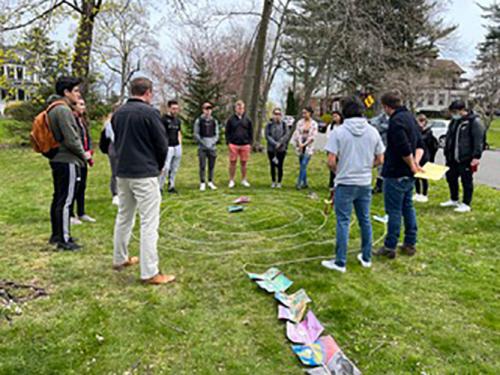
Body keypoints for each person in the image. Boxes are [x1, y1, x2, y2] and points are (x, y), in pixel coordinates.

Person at [112, 77, 175, 285]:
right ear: (148, 92)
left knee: (124, 216)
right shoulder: (150, 113)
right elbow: (161, 143)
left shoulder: (118, 113)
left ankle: (119, 258)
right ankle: (149, 272)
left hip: (122, 172)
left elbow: (114, 141)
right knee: (149, 222)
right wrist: (157, 167)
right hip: (144, 173)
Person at [321, 97, 385, 273]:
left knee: (343, 221)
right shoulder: (373, 132)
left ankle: (340, 262)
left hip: (345, 182)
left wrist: (339, 171)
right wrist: (365, 167)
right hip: (364, 183)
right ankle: (366, 257)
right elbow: (380, 159)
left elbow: (331, 161)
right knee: (365, 220)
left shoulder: (338, 132)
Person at [375, 90, 424, 260]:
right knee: (407, 207)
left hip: (396, 172)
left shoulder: (396, 121)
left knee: (394, 211)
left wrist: (412, 165)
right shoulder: (410, 117)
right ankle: (410, 243)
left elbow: (404, 148)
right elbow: (419, 143)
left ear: (386, 107)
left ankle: (390, 247)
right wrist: (416, 164)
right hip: (408, 174)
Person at [47, 76, 92, 251]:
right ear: (66, 92)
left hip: (58, 159)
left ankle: (56, 235)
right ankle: (64, 239)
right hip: (67, 159)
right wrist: (84, 156)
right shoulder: (63, 110)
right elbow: (72, 139)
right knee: (66, 200)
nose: (78, 94)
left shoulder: (53, 108)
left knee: (58, 197)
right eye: (75, 91)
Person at [440, 100, 485, 213]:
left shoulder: (474, 122)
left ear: (462, 110)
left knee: (466, 181)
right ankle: (454, 198)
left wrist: (476, 156)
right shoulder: (454, 122)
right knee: (451, 178)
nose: (453, 114)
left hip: (466, 157)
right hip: (452, 157)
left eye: (455, 112)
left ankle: (466, 203)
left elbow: (478, 140)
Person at [70, 98, 96, 225]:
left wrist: (89, 151)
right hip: (76, 157)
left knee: (82, 186)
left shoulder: (83, 121)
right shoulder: (71, 120)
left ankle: (81, 212)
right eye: (80, 105)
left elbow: (88, 137)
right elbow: (73, 139)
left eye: (84, 104)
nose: (83, 107)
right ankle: (70, 214)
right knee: (74, 186)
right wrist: (82, 152)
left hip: (84, 157)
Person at [225, 100, 253, 188]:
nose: (240, 110)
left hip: (245, 144)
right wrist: (228, 142)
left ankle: (244, 179)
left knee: (244, 163)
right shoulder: (231, 119)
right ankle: (231, 180)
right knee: (232, 162)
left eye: (242, 108)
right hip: (233, 144)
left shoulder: (247, 119)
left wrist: (250, 143)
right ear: (235, 109)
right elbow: (227, 131)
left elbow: (251, 131)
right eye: (238, 108)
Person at [194, 102, 219, 191]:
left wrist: (212, 143)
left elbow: (216, 134)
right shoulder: (199, 121)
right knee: (202, 165)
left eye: (209, 109)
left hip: (212, 146)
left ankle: (210, 181)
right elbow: (196, 134)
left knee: (211, 165)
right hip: (202, 147)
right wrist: (204, 143)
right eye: (206, 109)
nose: (208, 111)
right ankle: (202, 182)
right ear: (203, 110)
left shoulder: (214, 121)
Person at [414, 114, 439, 203]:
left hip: (425, 155)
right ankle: (417, 192)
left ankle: (424, 194)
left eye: (422, 121)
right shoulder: (416, 131)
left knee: (424, 176)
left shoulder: (428, 132)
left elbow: (424, 140)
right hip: (417, 155)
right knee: (416, 175)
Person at [292, 106, 318, 189]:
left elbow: (313, 136)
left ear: (310, 113)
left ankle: (299, 183)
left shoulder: (314, 124)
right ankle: (305, 182)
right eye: (303, 113)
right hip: (300, 146)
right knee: (302, 165)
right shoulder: (300, 123)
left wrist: (305, 144)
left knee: (303, 164)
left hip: (308, 147)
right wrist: (300, 143)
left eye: (305, 113)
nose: (304, 114)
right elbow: (297, 133)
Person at [159, 100, 182, 194]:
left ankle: (171, 185)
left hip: (176, 146)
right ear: (169, 108)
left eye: (176, 109)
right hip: (167, 147)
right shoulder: (163, 119)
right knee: (166, 168)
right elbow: (160, 133)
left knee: (174, 167)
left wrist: (180, 145)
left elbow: (179, 132)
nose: (175, 110)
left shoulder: (177, 120)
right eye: (173, 108)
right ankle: (160, 186)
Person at [99, 105, 120, 206]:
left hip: (125, 147)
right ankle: (115, 193)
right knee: (115, 171)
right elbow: (107, 138)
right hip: (114, 147)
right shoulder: (109, 124)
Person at [265, 107, 289, 188]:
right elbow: (267, 135)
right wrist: (274, 143)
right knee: (272, 165)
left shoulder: (284, 124)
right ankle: (273, 181)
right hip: (271, 149)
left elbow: (286, 135)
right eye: (275, 114)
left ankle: (279, 181)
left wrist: (280, 143)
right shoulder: (269, 125)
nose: (277, 116)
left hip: (281, 149)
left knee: (280, 165)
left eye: (279, 114)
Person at [369, 112, 389, 194]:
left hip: (391, 146)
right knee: (380, 167)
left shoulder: (396, 118)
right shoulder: (381, 117)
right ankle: (379, 186)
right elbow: (374, 125)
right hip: (381, 145)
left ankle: (385, 186)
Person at [326, 110, 343, 191]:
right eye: (333, 117)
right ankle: (332, 183)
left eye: (336, 116)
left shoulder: (343, 127)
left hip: (341, 150)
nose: (334, 118)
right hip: (332, 149)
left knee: (340, 166)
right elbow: (328, 137)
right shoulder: (331, 127)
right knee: (332, 165)